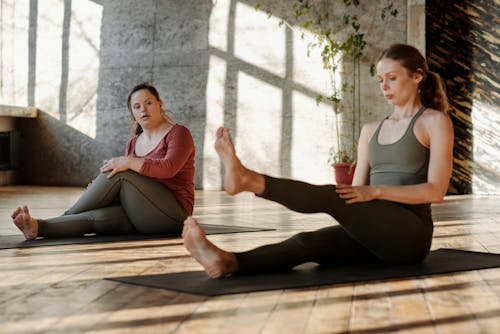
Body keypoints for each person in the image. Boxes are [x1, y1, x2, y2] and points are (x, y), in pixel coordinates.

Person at [182, 43, 454, 278]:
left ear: (417, 76)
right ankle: (228, 262)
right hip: (375, 231)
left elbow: (436, 190)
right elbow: (353, 194)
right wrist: (359, 205)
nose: (384, 86)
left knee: (330, 196)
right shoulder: (371, 130)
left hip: (410, 235)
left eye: (392, 78)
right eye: (380, 79)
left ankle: (248, 179)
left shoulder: (434, 122)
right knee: (307, 242)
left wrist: (375, 191)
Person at [12, 82, 195, 240]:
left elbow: (168, 168)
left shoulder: (179, 133)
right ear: (132, 112)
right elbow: (132, 188)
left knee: (119, 173)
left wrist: (127, 163)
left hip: (173, 216)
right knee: (93, 218)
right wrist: (101, 190)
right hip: (141, 215)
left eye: (148, 103)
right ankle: (37, 228)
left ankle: (63, 217)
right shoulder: (134, 142)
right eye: (137, 106)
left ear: (159, 104)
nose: (143, 109)